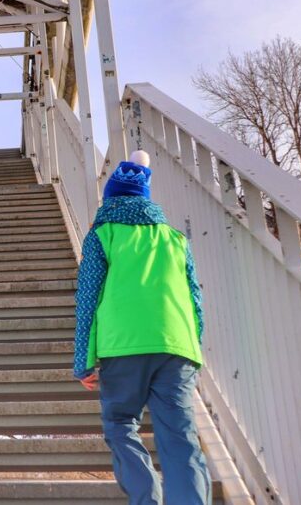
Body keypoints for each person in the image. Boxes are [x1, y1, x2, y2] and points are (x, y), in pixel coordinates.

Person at [72, 150, 211, 505]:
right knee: (180, 438)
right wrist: (193, 346)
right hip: (176, 347)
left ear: (110, 198)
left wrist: (83, 362)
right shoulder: (176, 239)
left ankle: (147, 499)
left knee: (120, 424)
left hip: (123, 346)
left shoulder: (103, 235)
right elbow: (195, 298)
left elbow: (88, 298)